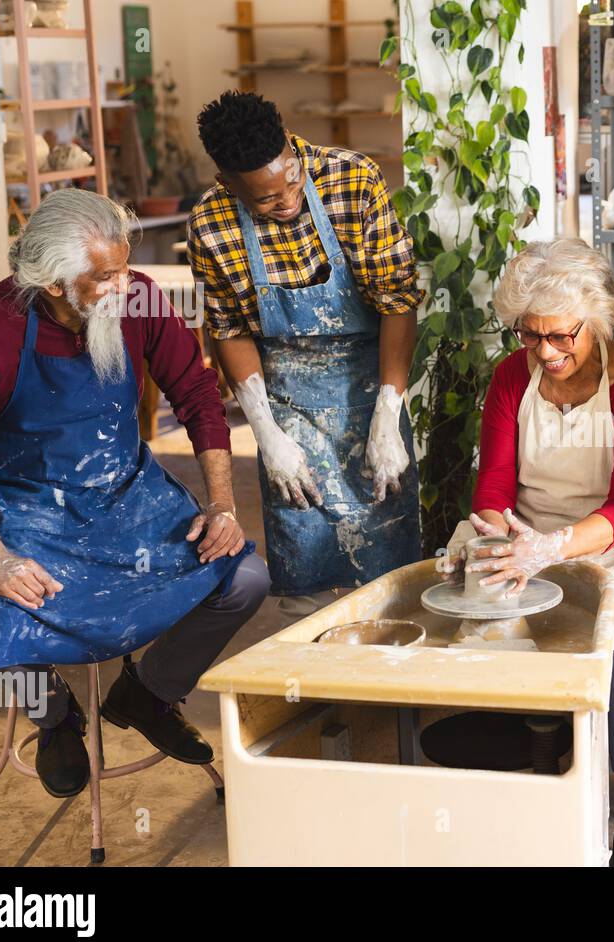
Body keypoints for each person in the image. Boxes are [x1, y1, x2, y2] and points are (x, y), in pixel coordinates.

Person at [0, 189, 269, 799]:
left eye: (124, 266)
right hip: (29, 504)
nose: (124, 284)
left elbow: (198, 397)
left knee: (244, 578)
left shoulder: (138, 297)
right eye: (104, 276)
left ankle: (147, 693)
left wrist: (221, 503)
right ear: (50, 281)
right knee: (1, 617)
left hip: (126, 495)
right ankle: (55, 718)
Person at [436, 239, 614, 867]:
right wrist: (495, 538)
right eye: (530, 335)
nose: (545, 351)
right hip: (523, 535)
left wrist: (557, 549)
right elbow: (493, 485)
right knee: (466, 630)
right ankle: (522, 789)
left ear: (593, 321)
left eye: (562, 336)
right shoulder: (514, 377)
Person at [187, 91, 423, 619]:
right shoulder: (210, 222)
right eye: (267, 201)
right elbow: (229, 330)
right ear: (229, 184)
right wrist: (266, 436)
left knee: (392, 575)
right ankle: (317, 694)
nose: (287, 201)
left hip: (372, 390)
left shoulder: (353, 179)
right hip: (285, 404)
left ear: (293, 147)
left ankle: (391, 695)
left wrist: (390, 414)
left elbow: (398, 303)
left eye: (291, 179)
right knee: (305, 578)